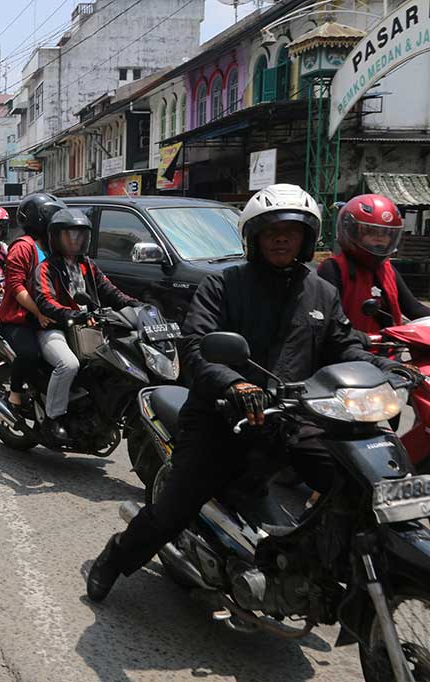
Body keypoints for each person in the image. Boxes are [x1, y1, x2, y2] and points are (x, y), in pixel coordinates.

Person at [85, 184, 419, 602]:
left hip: (294, 419)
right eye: (271, 230)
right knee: (176, 507)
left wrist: (385, 366)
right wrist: (234, 383)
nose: (281, 238)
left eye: (291, 231)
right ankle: (114, 559)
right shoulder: (222, 286)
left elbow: (345, 344)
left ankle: (325, 565)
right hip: (224, 417)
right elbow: (196, 347)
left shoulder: (321, 293)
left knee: (355, 481)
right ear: (254, 237)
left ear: (306, 239)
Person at [30, 209, 140, 442]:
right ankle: (53, 418)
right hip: (54, 328)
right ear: (56, 238)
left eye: (81, 235)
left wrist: (133, 304)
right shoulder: (46, 268)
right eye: (70, 235)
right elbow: (44, 301)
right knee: (68, 365)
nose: (76, 240)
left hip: (86, 328)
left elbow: (109, 290)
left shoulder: (87, 265)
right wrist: (71, 314)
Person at [317, 194, 430, 335]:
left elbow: (414, 309)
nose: (380, 239)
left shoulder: (387, 269)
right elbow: (329, 321)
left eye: (386, 234)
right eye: (372, 232)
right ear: (350, 231)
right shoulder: (333, 268)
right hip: (347, 352)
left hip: (388, 349)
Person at [0, 192, 65, 415]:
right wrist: (40, 312)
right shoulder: (22, 247)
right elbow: (16, 287)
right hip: (19, 320)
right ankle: (15, 395)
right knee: (30, 354)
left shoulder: (53, 246)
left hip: (46, 316)